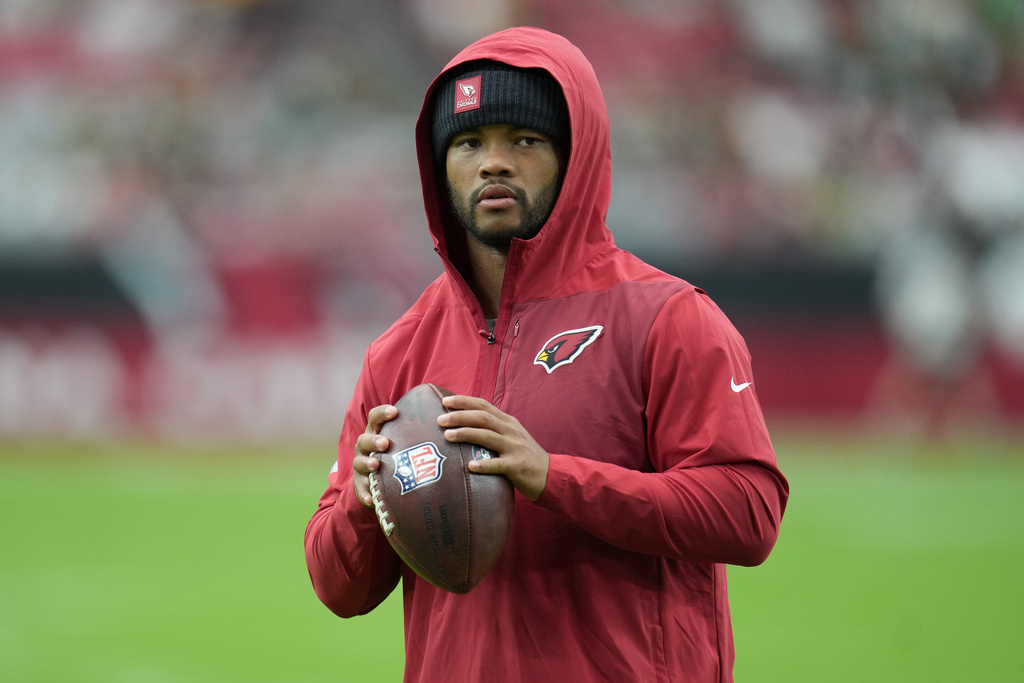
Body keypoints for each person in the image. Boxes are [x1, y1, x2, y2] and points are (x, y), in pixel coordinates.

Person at [305, 26, 789, 682]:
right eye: (469, 143)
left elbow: (749, 511)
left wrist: (553, 476)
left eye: (524, 141)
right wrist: (367, 502)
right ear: (438, 165)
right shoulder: (399, 351)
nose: (492, 163)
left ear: (575, 155)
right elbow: (340, 588)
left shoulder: (667, 316)